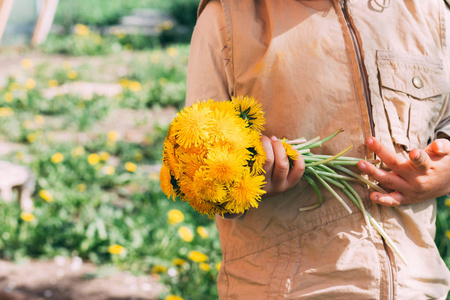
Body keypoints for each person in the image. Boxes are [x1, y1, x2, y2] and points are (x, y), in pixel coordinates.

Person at [185, 0, 450, 298]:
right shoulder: (226, 19)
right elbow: (197, 165)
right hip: (289, 290)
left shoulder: (428, 10)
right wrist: (246, 174)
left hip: (416, 286)